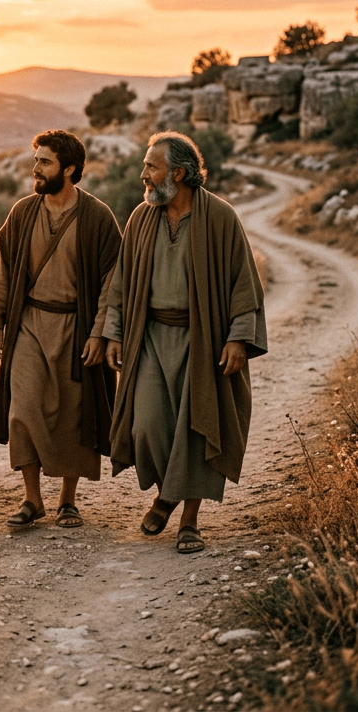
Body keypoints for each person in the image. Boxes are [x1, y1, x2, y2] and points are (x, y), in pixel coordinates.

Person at [103, 131, 267, 553]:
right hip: (151, 337)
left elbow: (243, 286)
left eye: (150, 167)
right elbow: (120, 283)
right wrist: (114, 333)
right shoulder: (141, 218)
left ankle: (186, 518)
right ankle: (168, 491)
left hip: (203, 339)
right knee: (147, 426)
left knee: (197, 429)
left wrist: (238, 339)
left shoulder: (221, 218)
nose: (143, 175)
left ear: (177, 172)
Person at [0, 130, 121, 529]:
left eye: (45, 162)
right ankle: (32, 499)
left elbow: (113, 282)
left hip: (76, 329)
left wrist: (99, 333)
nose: (35, 169)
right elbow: (4, 267)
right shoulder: (24, 212)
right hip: (28, 323)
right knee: (23, 409)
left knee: (74, 414)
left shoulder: (97, 217)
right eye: (36, 160)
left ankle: (68, 501)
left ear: (70, 169)